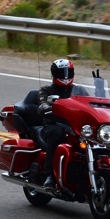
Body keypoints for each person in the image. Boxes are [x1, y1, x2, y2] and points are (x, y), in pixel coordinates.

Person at [37, 58, 82, 188]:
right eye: (62, 73)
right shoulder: (46, 91)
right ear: (54, 74)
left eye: (68, 72)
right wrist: (47, 107)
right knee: (56, 134)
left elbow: (90, 104)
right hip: (53, 125)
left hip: (74, 126)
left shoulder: (79, 91)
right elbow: (42, 104)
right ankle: (49, 175)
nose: (66, 76)